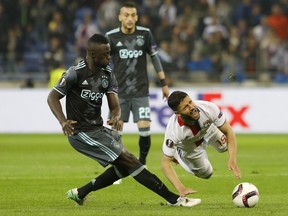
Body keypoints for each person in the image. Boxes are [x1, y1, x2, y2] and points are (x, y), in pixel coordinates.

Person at [47, 33, 201, 207]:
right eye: (105, 54)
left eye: (109, 52)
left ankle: (80, 193)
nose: (109, 57)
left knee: (124, 167)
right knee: (131, 161)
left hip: (98, 129)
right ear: (92, 54)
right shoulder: (75, 73)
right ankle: (175, 199)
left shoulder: (107, 75)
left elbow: (114, 105)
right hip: (81, 132)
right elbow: (52, 97)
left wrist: (116, 115)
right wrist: (63, 121)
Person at [105, 2, 170, 166]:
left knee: (145, 131)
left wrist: (164, 83)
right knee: (115, 134)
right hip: (119, 93)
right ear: (120, 17)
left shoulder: (145, 34)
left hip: (140, 91)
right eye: (126, 15)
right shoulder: (111, 37)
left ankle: (142, 164)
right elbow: (103, 62)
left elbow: (155, 58)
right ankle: (117, 166)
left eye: (133, 15)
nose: (130, 18)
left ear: (137, 18)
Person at [161, 91, 241, 197]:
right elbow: (165, 162)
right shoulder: (174, 130)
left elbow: (228, 131)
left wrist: (232, 159)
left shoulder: (208, 108)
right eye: (185, 107)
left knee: (225, 146)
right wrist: (181, 188)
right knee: (207, 173)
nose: (192, 107)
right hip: (190, 147)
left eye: (190, 102)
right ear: (178, 113)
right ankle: (178, 155)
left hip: (208, 130)